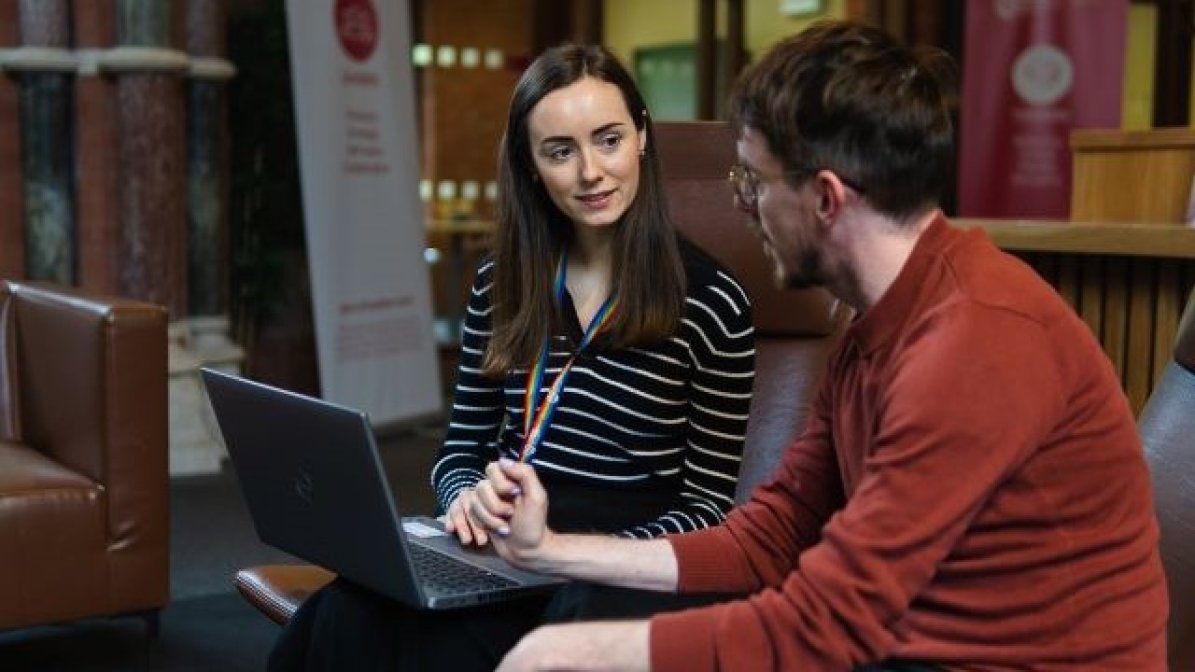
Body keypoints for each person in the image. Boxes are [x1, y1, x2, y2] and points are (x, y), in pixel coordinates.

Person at [472, 20, 1170, 672]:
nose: (742, 207)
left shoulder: (972, 342)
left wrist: (589, 650)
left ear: (825, 199)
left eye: (752, 181)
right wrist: (554, 550)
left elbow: (827, 623)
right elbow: (770, 536)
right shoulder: (879, 326)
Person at [267, 43, 756, 671]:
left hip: (612, 567)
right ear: (530, 166)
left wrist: (568, 550)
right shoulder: (502, 282)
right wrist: (466, 498)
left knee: (523, 641)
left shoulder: (714, 301)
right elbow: (460, 450)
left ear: (641, 136)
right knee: (347, 612)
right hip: (500, 553)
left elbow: (709, 510)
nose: (590, 172)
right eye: (560, 151)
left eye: (608, 139)